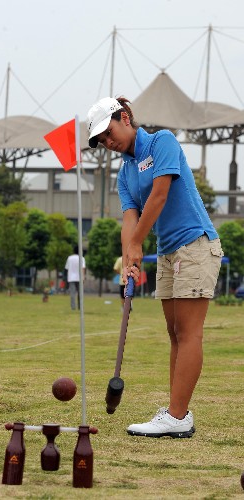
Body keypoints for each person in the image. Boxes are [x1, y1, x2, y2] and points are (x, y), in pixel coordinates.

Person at [86, 96, 224, 438]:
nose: (108, 142)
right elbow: (130, 218)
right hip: (167, 252)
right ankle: (178, 414)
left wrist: (136, 244)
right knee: (174, 334)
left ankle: (177, 417)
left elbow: (160, 196)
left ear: (126, 117)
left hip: (195, 243)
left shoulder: (162, 142)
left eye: (109, 132)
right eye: (101, 141)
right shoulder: (126, 172)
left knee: (189, 333)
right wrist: (129, 258)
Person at [65, 245, 86, 310]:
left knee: (72, 293)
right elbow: (83, 268)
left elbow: (67, 268)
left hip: (71, 278)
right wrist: (83, 277)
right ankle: (80, 307)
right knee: (80, 294)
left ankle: (73, 307)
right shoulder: (82, 258)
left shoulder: (69, 258)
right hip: (79, 278)